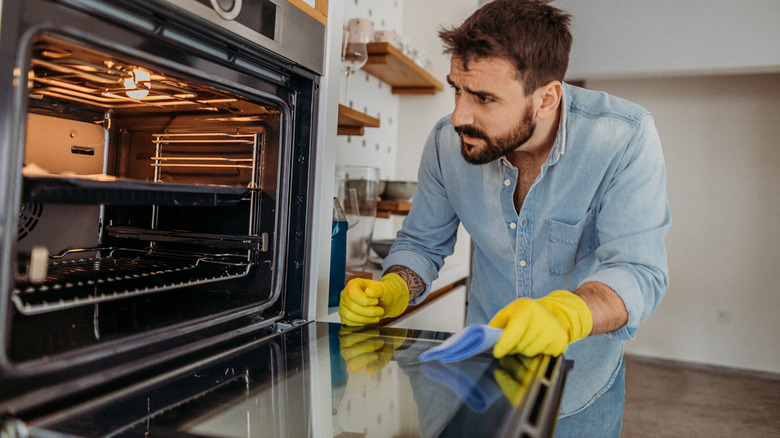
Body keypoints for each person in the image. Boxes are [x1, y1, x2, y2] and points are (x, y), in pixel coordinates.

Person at [338, 0, 671, 436]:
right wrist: (396, 285)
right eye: (457, 89)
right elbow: (421, 244)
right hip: (479, 378)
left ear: (546, 98)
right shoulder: (446, 144)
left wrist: (567, 314)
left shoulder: (623, 138)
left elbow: (638, 270)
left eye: (484, 98)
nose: (459, 115)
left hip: (581, 387)